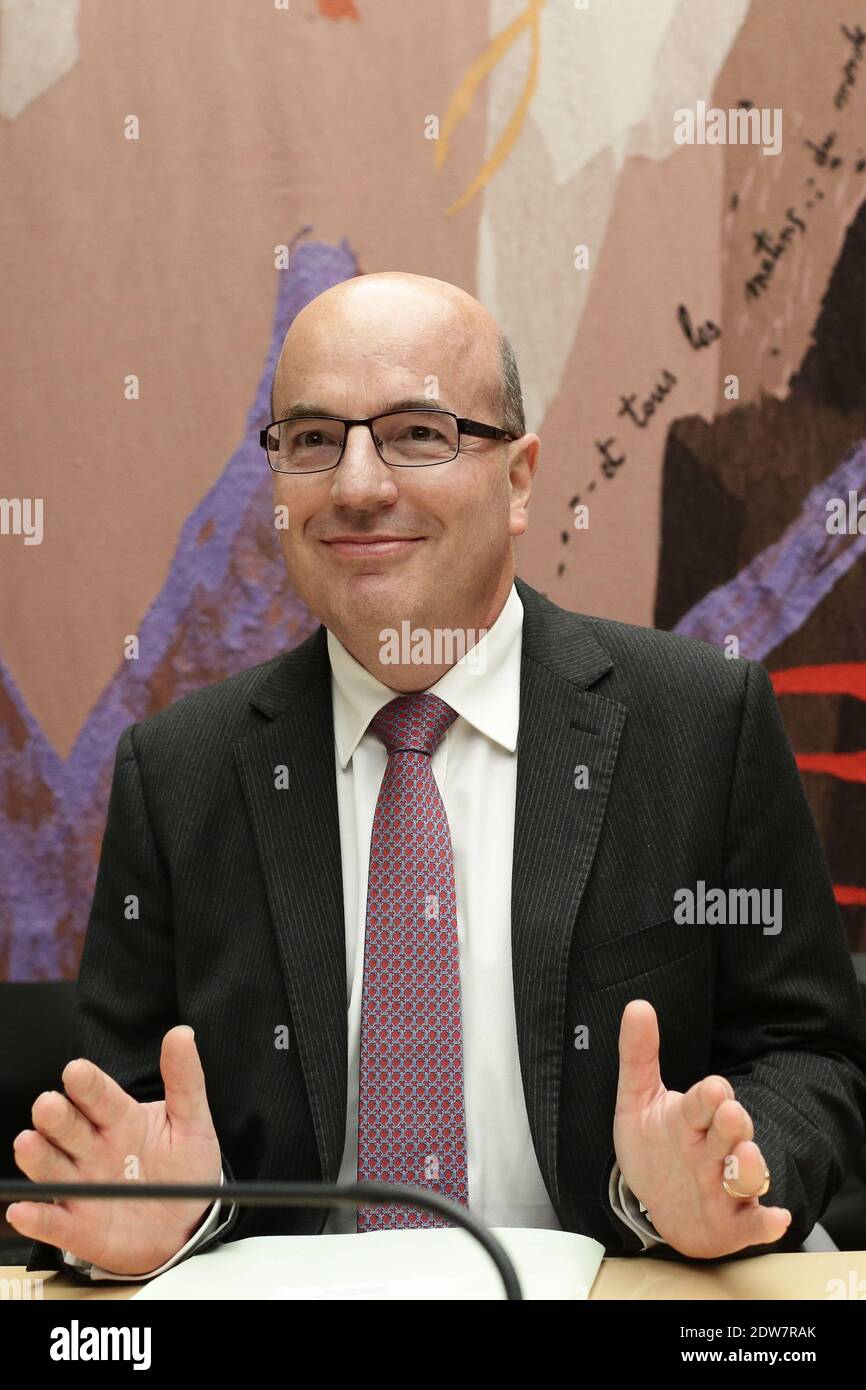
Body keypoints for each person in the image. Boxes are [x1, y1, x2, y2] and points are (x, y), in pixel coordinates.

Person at [12, 272, 866, 1283]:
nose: (357, 485)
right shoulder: (180, 770)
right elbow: (132, 1116)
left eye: (418, 432)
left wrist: (722, 1169)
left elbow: (808, 1054)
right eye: (312, 440)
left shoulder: (696, 722)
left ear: (516, 479)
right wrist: (166, 1211)